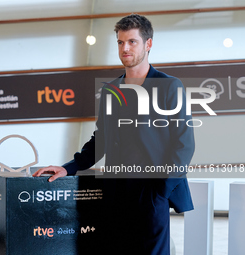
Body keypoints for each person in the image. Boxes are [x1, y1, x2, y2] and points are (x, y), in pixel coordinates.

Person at [33, 13, 195, 255]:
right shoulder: (111, 91)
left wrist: (160, 191)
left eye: (132, 42)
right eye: (120, 42)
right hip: (115, 192)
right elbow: (101, 139)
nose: (125, 48)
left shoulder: (170, 86)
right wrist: (68, 167)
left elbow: (184, 144)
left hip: (150, 192)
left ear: (148, 44)